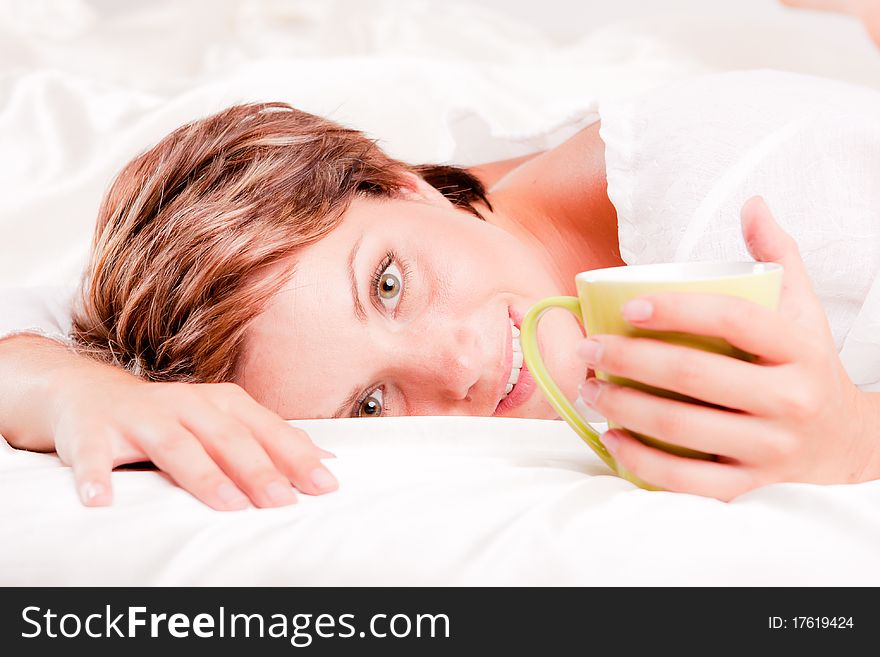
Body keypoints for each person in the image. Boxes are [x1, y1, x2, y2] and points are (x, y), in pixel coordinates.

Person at [2, 69, 880, 509]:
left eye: (389, 285)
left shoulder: (764, 190)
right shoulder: (290, 277)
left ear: (403, 179)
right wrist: (75, 384)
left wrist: (854, 445)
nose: (458, 367)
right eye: (372, 406)